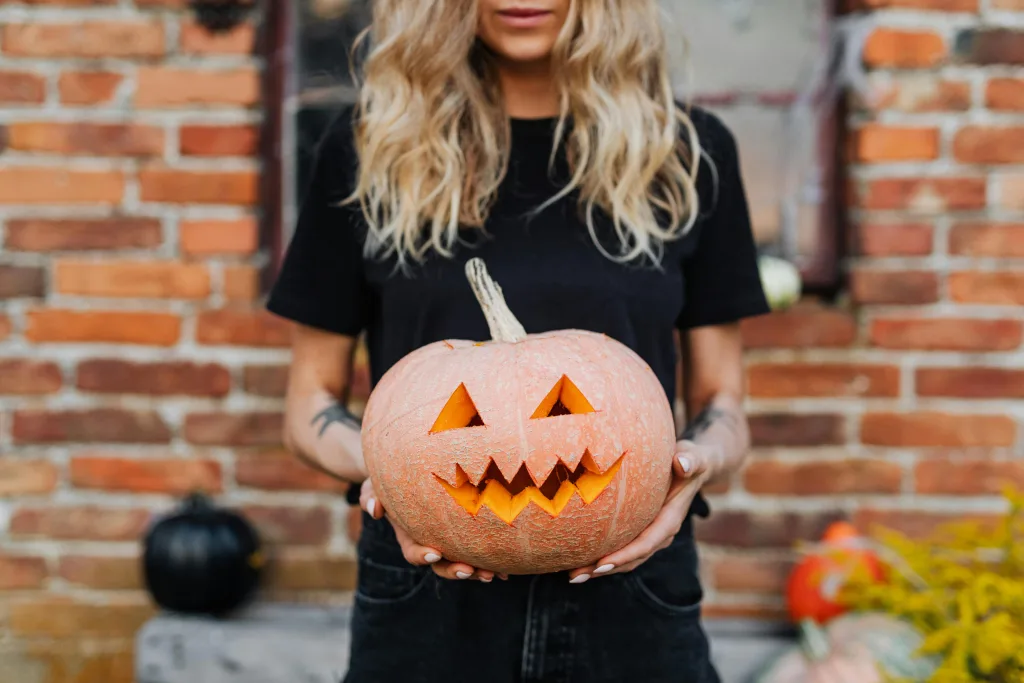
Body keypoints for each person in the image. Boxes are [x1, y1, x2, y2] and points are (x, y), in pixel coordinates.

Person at [268, 1, 770, 681]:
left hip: (633, 577)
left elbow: (722, 401)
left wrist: (694, 463)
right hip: (427, 589)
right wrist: (404, 478)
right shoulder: (368, 150)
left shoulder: (685, 154)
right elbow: (309, 407)